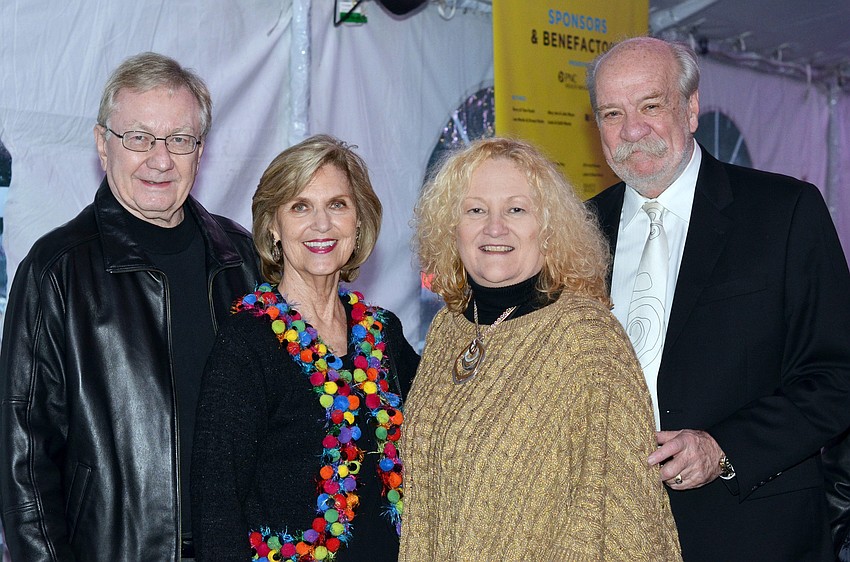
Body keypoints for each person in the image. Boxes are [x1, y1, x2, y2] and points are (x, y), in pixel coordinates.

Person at [586, 36, 850, 561]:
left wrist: (723, 448)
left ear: (691, 108)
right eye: (612, 113)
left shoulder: (783, 212)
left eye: (651, 106)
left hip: (753, 532)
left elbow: (837, 375)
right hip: (608, 533)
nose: (632, 131)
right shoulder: (579, 231)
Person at [0, 52, 260, 561]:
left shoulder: (242, 260)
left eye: (179, 140)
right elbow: (23, 462)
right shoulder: (57, 270)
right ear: (103, 145)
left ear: (199, 150)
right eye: (138, 138)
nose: (160, 159)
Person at [399, 137, 681, 561]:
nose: (495, 227)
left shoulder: (586, 338)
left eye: (516, 209)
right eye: (475, 210)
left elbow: (624, 510)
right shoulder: (448, 329)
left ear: (548, 228)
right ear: (450, 227)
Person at [191, 134, 419, 561]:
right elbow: (215, 504)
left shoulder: (385, 334)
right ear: (274, 226)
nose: (321, 225)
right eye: (300, 206)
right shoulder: (247, 343)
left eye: (337, 205)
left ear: (358, 221)